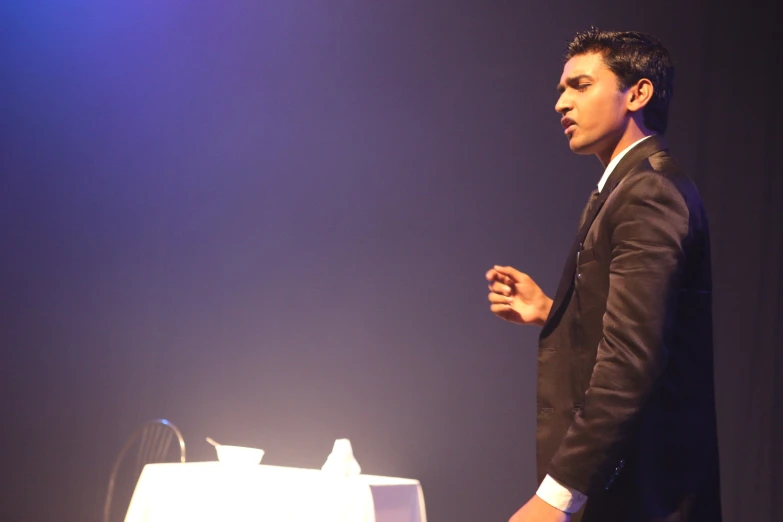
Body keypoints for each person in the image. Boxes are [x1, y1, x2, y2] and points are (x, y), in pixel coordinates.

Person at [486, 29, 721, 522]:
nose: (560, 103)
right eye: (561, 89)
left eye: (580, 85)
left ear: (637, 93)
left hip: (640, 498)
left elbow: (631, 360)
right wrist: (556, 312)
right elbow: (647, 327)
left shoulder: (648, 192)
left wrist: (557, 496)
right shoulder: (627, 186)